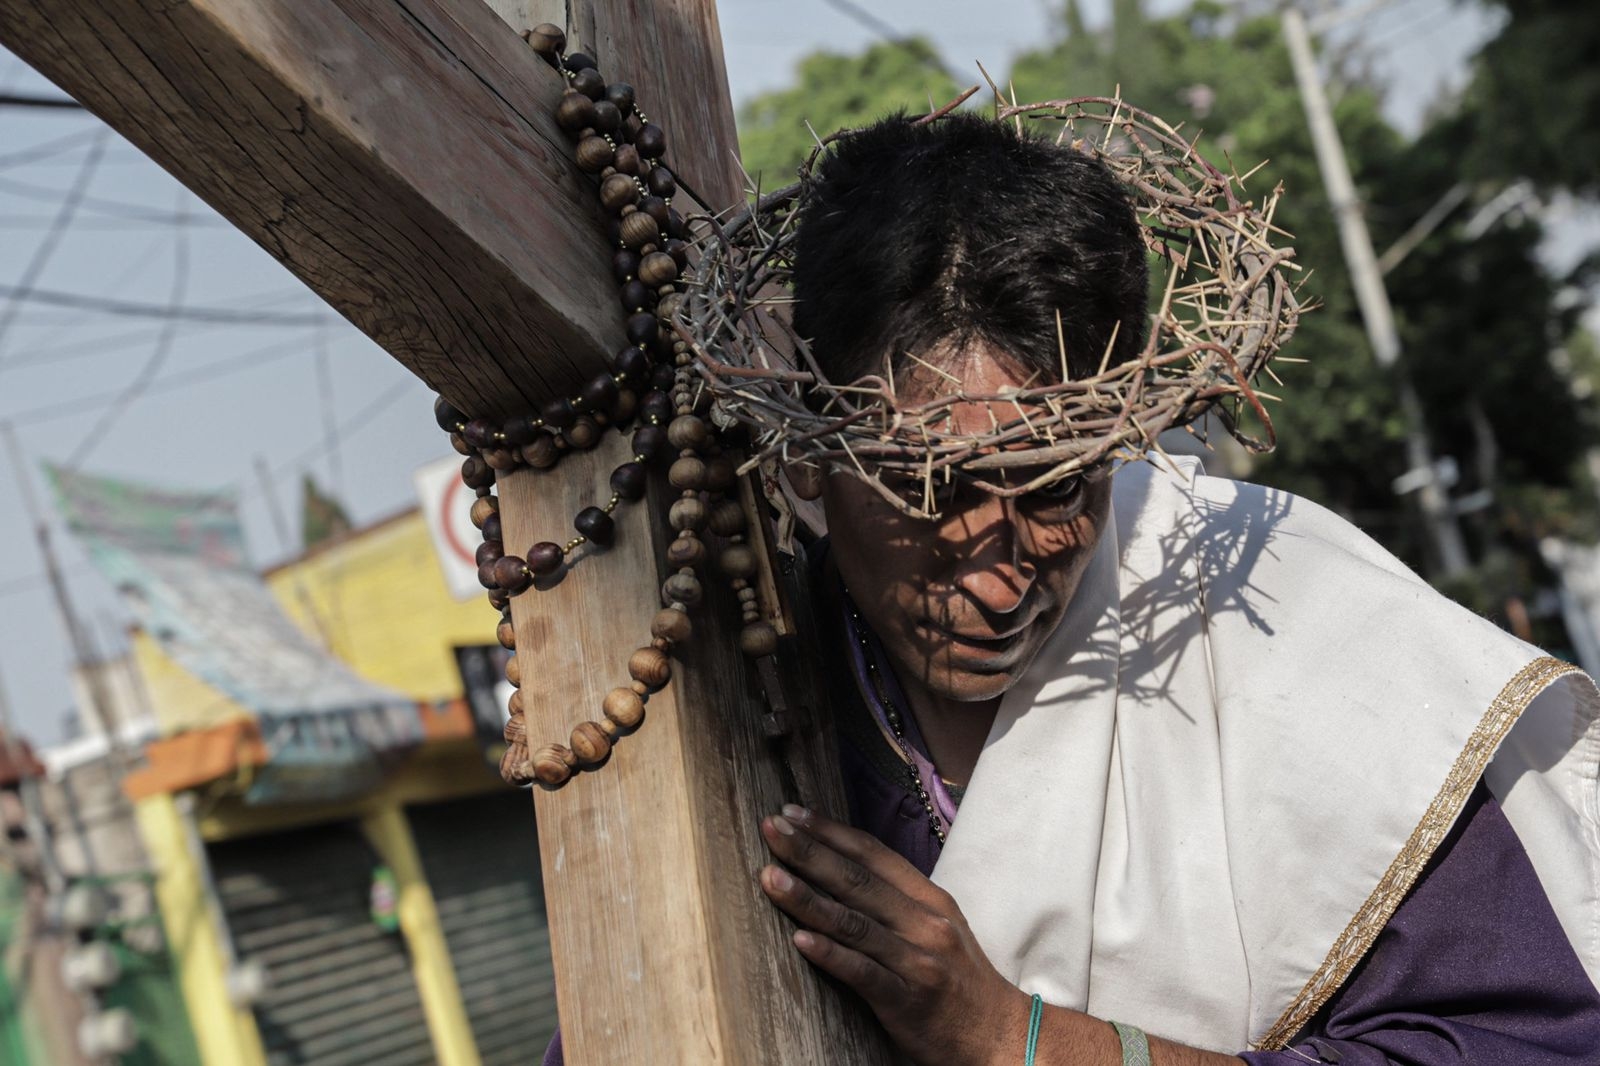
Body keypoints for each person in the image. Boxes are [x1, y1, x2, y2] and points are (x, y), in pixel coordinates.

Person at [547, 115, 1600, 1064]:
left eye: (1058, 488)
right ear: (809, 449)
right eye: (933, 490)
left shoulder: (1289, 625)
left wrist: (1014, 1037)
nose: (1000, 572)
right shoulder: (737, 681)